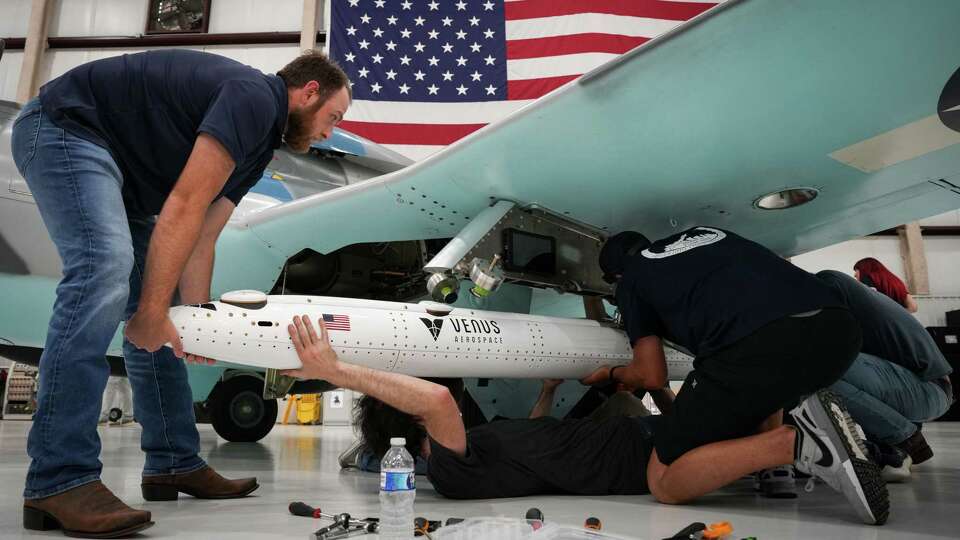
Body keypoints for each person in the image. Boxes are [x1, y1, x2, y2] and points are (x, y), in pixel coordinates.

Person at [10, 49, 350, 537]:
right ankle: (58, 478)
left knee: (167, 318)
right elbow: (184, 204)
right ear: (309, 92)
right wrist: (149, 312)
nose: (328, 133)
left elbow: (202, 236)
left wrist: (198, 326)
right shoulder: (254, 96)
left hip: (119, 171)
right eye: (332, 117)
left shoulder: (260, 146)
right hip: (66, 129)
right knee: (103, 269)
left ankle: (173, 461)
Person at [283, 315, 880, 522]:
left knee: (725, 394)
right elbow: (434, 401)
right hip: (636, 457)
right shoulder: (450, 472)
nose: (447, 389)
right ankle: (792, 444)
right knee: (709, 438)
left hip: (631, 435)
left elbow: (531, 444)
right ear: (410, 422)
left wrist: (544, 392)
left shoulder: (475, 451)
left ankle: (799, 438)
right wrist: (339, 371)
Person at [590, 228, 888, 525]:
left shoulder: (632, 280)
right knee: (759, 381)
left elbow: (651, 375)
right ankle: (775, 469)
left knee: (662, 480)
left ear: (616, 276)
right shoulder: (709, 234)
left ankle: (799, 444)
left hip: (761, 343)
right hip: (838, 331)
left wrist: (611, 372)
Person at [818, 270, 953, 477]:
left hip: (927, 390)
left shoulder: (830, 284)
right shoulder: (851, 295)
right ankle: (893, 447)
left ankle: (904, 439)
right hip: (924, 387)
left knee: (817, 370)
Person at [854, 258, 918, 312]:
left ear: (864, 270)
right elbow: (913, 307)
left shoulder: (866, 279)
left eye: (856, 270)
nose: (855, 275)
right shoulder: (895, 282)